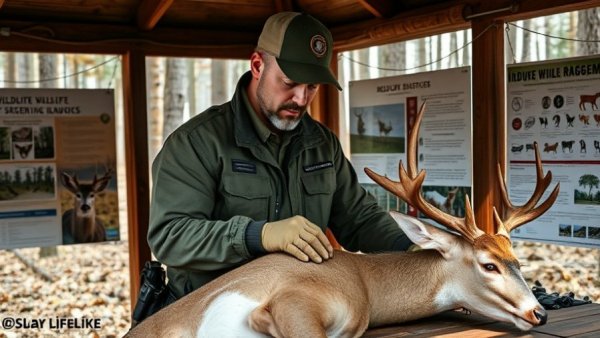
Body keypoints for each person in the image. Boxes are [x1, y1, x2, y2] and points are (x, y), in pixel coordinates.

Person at [148, 12, 412, 304]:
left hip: (297, 311)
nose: (300, 99)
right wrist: (257, 235)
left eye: (312, 86)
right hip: (207, 314)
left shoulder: (322, 145)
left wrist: (412, 250)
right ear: (258, 65)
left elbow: (360, 219)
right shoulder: (197, 143)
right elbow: (170, 236)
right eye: (290, 82)